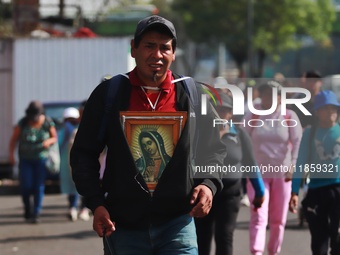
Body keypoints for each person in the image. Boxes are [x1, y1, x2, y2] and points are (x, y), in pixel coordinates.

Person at [70, 15, 226, 255]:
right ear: (133, 49)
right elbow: (83, 153)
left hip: (178, 225)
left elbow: (214, 149)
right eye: (149, 46)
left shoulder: (195, 95)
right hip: (122, 227)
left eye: (165, 47)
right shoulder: (109, 94)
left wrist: (208, 184)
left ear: (174, 53)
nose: (157, 54)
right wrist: (96, 203)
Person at [195, 91, 265, 255]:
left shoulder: (240, 135)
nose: (220, 113)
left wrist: (260, 191)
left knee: (224, 235)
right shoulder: (200, 133)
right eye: (216, 109)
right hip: (204, 194)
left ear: (231, 113)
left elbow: (251, 164)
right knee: (202, 237)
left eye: (224, 110)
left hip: (230, 195)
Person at [243, 80, 303, 255]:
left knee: (278, 219)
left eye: (274, 94)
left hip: (282, 174)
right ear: (261, 96)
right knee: (259, 215)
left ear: (280, 97)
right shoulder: (253, 115)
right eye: (266, 93)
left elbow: (298, 142)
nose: (270, 97)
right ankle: (256, 252)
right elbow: (242, 139)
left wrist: (293, 165)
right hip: (257, 174)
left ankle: (273, 251)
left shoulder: (289, 116)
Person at [289, 90, 340, 255]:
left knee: (338, 238)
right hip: (316, 192)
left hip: (338, 190)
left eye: (334, 107)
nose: (331, 111)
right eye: (326, 108)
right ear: (317, 112)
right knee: (319, 243)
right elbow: (300, 162)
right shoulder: (310, 134)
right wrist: (294, 191)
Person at [9, 100, 58, 223]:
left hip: (41, 159)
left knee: (38, 186)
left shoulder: (47, 122)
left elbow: (54, 137)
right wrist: (11, 155)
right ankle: (27, 208)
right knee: (26, 186)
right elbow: (13, 140)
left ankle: (36, 212)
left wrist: (48, 142)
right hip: (26, 159)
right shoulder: (23, 122)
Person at [59, 107, 80, 221]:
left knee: (71, 185)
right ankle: (77, 208)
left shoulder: (63, 129)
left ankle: (73, 207)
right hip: (78, 160)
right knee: (76, 184)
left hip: (66, 162)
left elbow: (59, 144)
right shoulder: (81, 128)